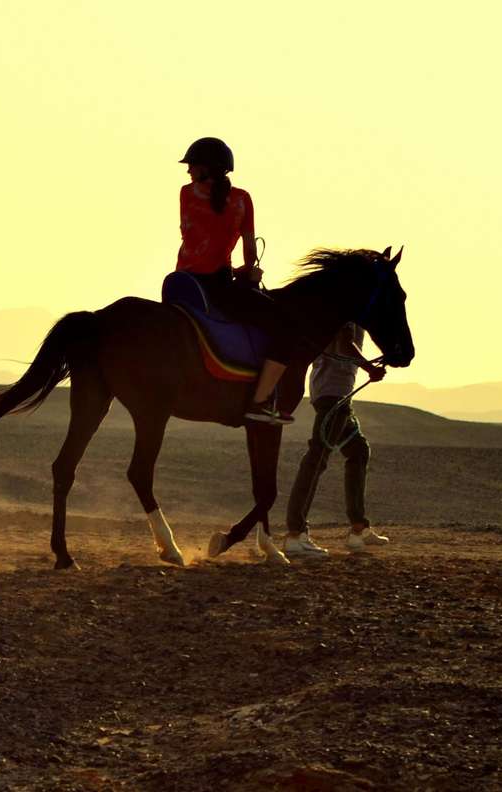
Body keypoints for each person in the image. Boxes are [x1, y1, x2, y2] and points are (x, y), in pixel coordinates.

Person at [175, 137, 310, 425]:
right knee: (286, 330)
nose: (188, 172)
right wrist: (247, 271)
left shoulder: (186, 194)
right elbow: (249, 255)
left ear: (205, 169)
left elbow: (197, 238)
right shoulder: (241, 200)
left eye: (192, 166)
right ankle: (259, 402)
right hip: (218, 286)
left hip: (182, 282)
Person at [281, 323, 389, 558]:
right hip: (333, 394)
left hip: (334, 393)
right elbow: (344, 342)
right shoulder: (348, 303)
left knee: (358, 450)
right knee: (317, 458)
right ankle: (295, 534)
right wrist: (369, 367)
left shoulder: (351, 303)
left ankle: (358, 528)